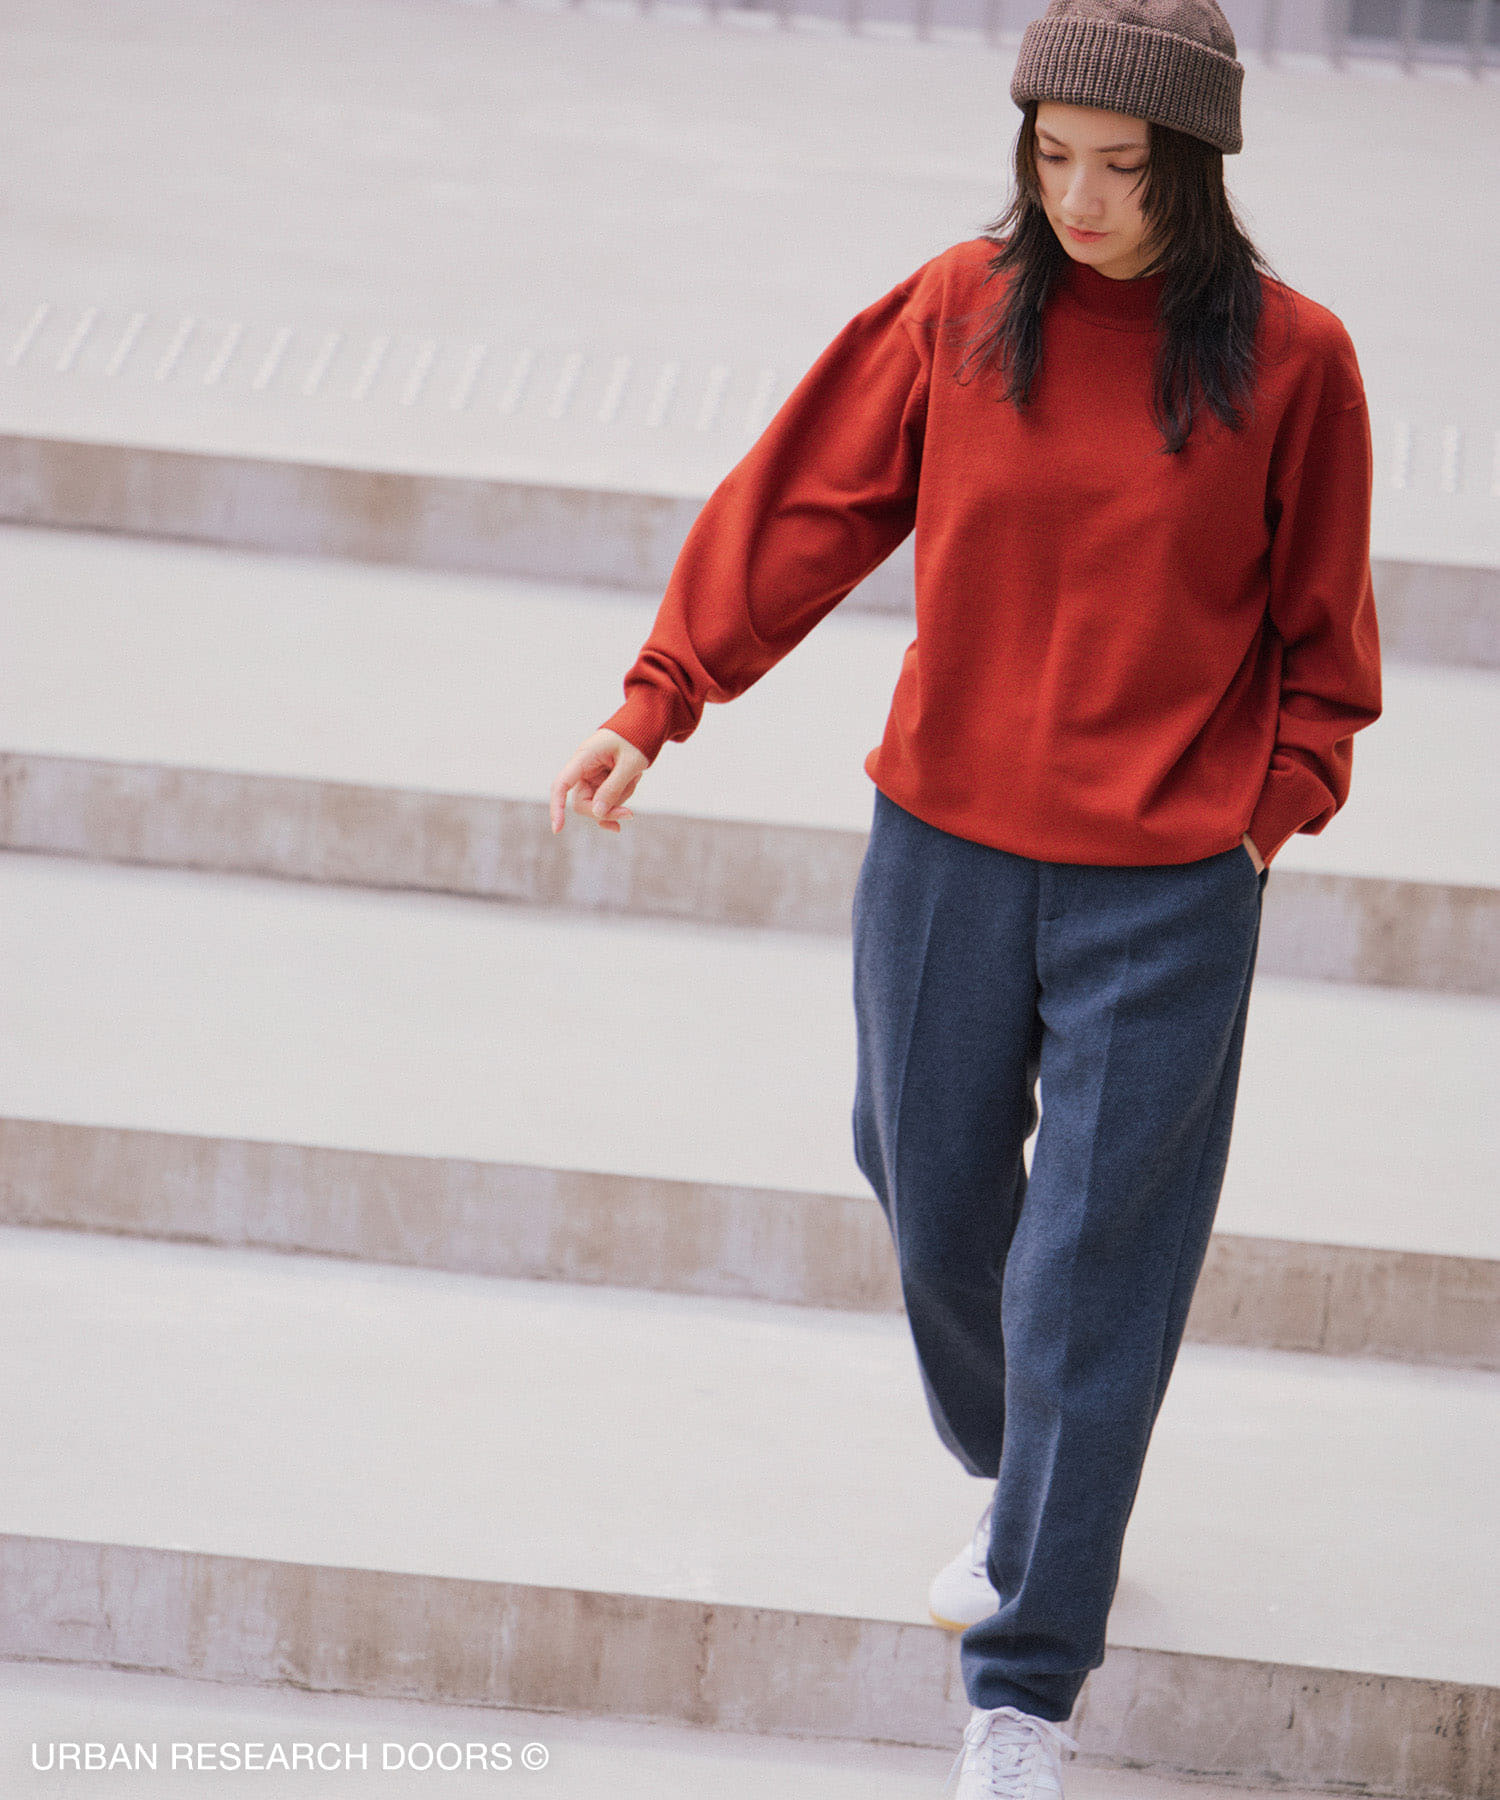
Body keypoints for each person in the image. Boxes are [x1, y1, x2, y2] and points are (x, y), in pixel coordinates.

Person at [549, 1, 1382, 1791]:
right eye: (1051, 156)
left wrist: (1266, 816)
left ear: (1195, 166)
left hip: (1167, 885)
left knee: (1091, 1269)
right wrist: (657, 700)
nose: (1079, 200)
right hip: (945, 846)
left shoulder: (1294, 361)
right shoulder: (961, 308)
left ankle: (1022, 1695)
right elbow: (802, 508)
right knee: (923, 1182)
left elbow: (1327, 646)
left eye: (1122, 167)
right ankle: (1046, 1481)